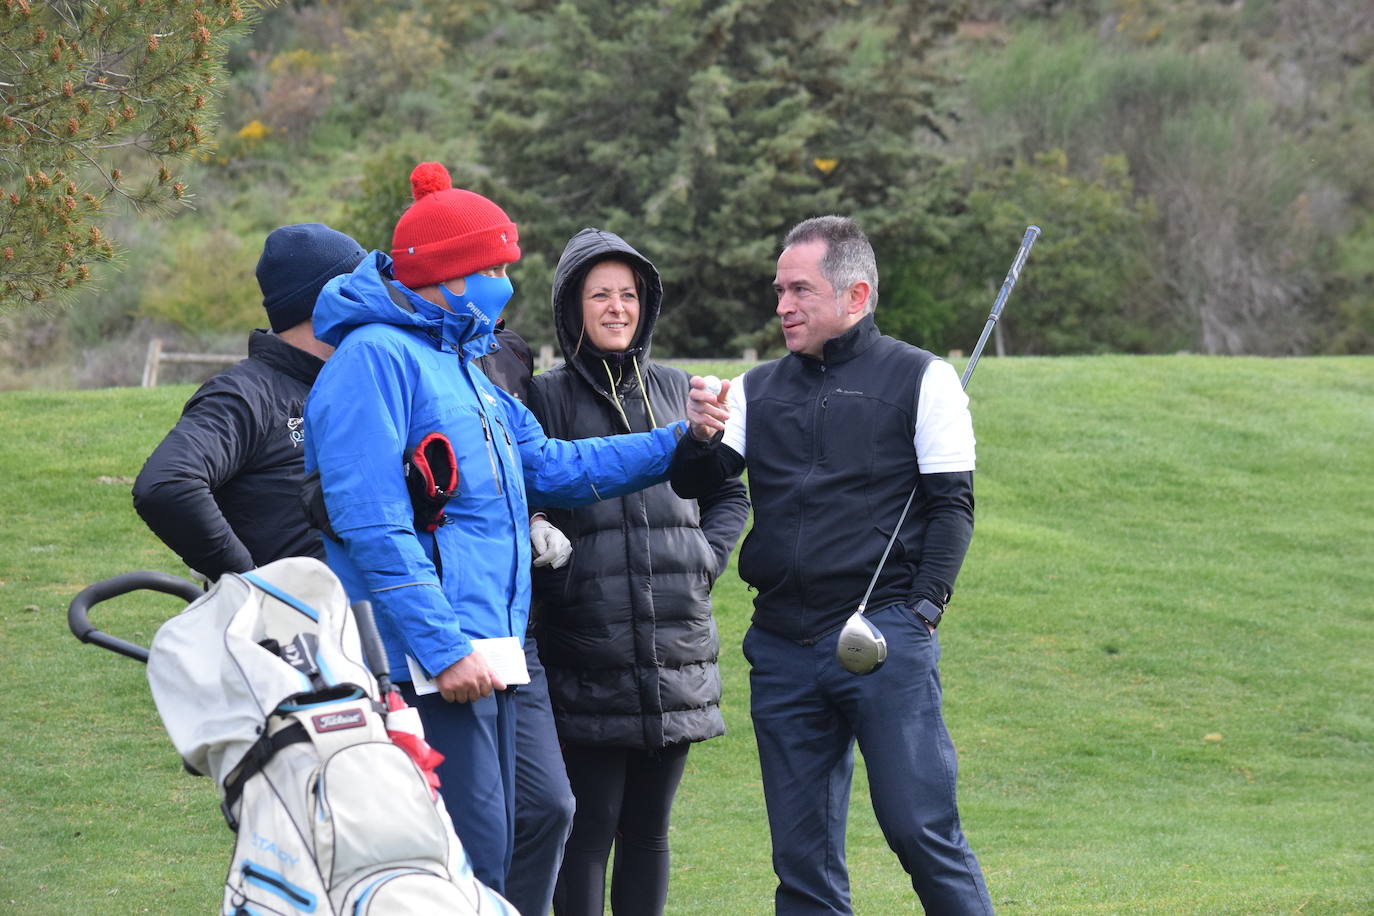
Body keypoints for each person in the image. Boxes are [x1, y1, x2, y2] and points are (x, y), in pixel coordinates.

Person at [302, 162, 690, 897]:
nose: (506, 282)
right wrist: (442, 647)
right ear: (448, 273)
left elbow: (549, 464)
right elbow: (371, 524)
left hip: (502, 641)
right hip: (429, 654)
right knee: (471, 845)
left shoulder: (466, 363)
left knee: (546, 811)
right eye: (494, 266)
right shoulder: (373, 360)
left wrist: (679, 444)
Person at [671, 216, 995, 914]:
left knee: (920, 832)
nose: (782, 305)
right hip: (784, 645)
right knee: (802, 860)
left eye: (799, 290)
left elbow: (952, 508)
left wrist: (922, 613)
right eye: (779, 290)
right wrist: (699, 436)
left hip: (886, 639)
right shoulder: (755, 389)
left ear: (855, 295)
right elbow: (700, 482)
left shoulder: (923, 379)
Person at [527, 228, 749, 915]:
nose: (617, 307)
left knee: (650, 831)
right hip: (586, 645)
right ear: (573, 308)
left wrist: (705, 559)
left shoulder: (684, 390)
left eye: (628, 294)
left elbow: (730, 490)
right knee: (589, 827)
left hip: (674, 647)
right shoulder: (546, 398)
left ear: (645, 304)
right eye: (601, 295)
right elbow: (528, 501)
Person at [132, 223, 366, 581]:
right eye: (359, 289)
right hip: (290, 631)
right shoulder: (244, 394)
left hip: (368, 623)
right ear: (324, 302)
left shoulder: (353, 381)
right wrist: (249, 584)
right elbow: (166, 485)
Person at [476, 319, 579, 916]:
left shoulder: (510, 353)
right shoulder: (396, 354)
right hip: (435, 633)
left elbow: (529, 464)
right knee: (466, 821)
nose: (498, 281)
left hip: (518, 633)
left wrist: (536, 518)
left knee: (548, 806)